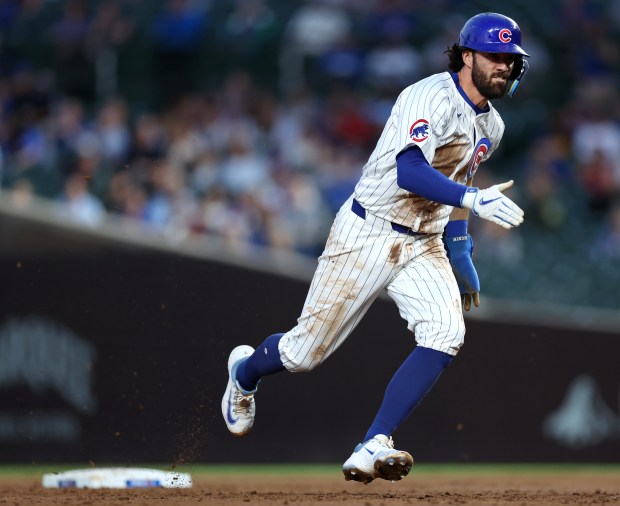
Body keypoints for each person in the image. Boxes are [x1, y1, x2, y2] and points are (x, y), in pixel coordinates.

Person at [222, 12, 529, 484]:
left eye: (510, 59)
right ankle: (244, 374)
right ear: (467, 55)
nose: (503, 67)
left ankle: (374, 441)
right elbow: (410, 171)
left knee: (446, 332)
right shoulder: (429, 95)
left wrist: (462, 247)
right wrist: (471, 199)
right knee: (305, 354)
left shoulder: (494, 126)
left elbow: (458, 184)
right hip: (369, 231)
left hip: (424, 241)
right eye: (494, 56)